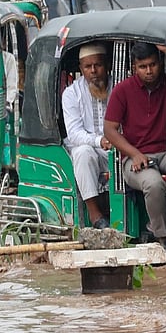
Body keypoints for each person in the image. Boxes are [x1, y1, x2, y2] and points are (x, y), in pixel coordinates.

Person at [104, 43, 166, 255]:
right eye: (143, 66)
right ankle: (163, 240)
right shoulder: (122, 90)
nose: (149, 71)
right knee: (153, 184)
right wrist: (134, 153)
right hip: (134, 158)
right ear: (135, 67)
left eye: (153, 65)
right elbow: (109, 129)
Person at [63, 43, 114, 228]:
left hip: (117, 147)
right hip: (92, 149)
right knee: (82, 152)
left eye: (97, 65)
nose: (93, 71)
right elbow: (74, 133)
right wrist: (99, 141)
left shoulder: (119, 86)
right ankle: (95, 215)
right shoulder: (71, 93)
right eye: (87, 67)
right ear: (81, 69)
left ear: (106, 65)